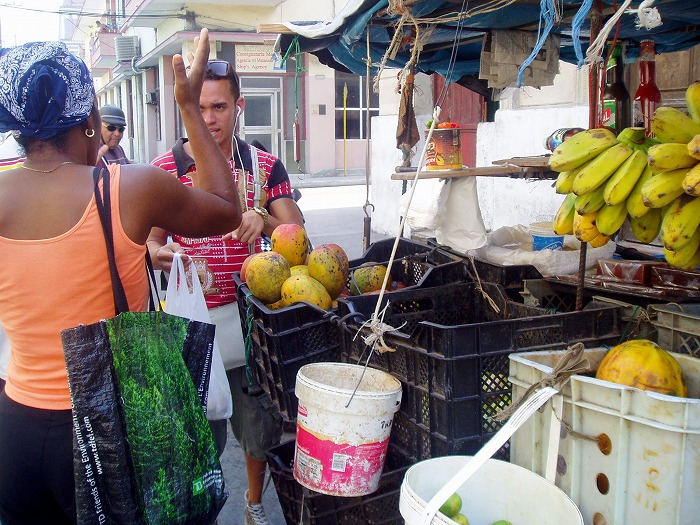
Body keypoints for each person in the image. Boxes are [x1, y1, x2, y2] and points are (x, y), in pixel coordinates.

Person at [0, 29, 241, 524]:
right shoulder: (127, 189)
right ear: (91, 120)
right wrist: (189, 107)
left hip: (16, 429)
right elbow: (224, 210)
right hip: (112, 429)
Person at [148, 59, 305, 525]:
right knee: (200, 432)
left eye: (219, 106)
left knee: (258, 426)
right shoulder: (163, 172)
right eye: (199, 107)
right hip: (191, 328)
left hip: (253, 323)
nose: (210, 117)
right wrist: (163, 253)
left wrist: (267, 219)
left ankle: (253, 503)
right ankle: (205, 507)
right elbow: (148, 243)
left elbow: (299, 235)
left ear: (238, 107)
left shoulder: (264, 165)